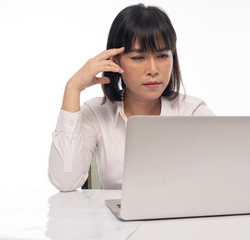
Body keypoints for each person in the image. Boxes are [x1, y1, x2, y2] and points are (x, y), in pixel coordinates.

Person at [48, 4, 214, 192]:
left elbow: (222, 177)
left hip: (179, 219)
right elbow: (65, 182)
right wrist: (72, 88)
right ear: (115, 60)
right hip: (115, 221)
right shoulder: (96, 114)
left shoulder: (193, 111)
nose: (153, 70)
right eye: (138, 58)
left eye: (162, 56)